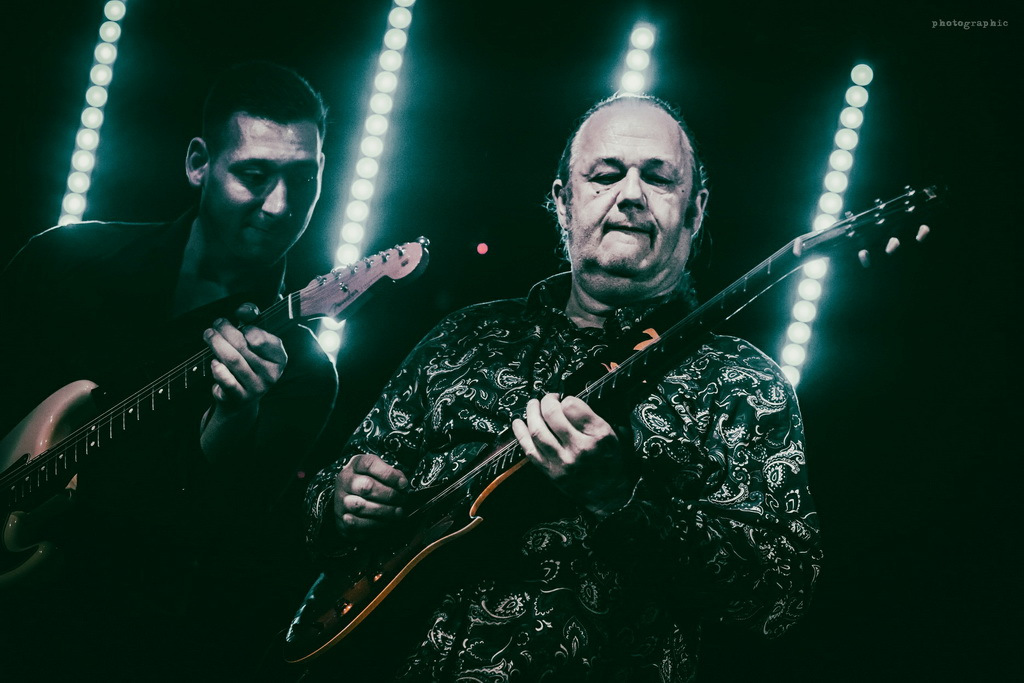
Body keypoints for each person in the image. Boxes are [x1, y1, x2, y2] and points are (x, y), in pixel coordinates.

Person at [301, 93, 822, 681]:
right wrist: (343, 500)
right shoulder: (464, 338)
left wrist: (621, 498)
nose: (631, 194)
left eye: (658, 178)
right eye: (605, 176)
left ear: (695, 209)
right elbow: (322, 502)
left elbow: (780, 596)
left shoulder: (741, 381)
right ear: (563, 203)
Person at [0, 62, 338, 679]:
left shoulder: (303, 373)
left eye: (304, 178)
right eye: (255, 175)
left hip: (107, 646)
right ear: (199, 163)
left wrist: (233, 421)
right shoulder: (65, 260)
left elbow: (209, 545)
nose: (281, 206)